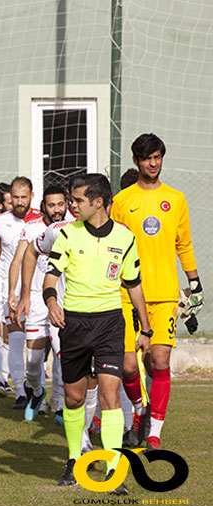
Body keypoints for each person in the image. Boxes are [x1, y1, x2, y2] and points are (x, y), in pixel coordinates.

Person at [44, 173, 150, 494]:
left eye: (77, 200)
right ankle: (75, 460)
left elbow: (133, 285)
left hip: (109, 324)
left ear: (98, 202)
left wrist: (146, 328)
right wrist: (51, 301)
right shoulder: (67, 235)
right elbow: (51, 277)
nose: (71, 206)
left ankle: (114, 469)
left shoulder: (125, 238)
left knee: (109, 396)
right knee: (75, 399)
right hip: (74, 325)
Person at [111, 133, 201, 451]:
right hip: (126, 295)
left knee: (159, 361)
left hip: (164, 293)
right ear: (136, 161)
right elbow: (113, 246)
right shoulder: (122, 201)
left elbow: (184, 244)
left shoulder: (175, 199)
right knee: (128, 366)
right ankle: (139, 409)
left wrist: (195, 281)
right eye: (147, 157)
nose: (153, 163)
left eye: (158, 156)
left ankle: (153, 433)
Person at [7, 186, 70, 420]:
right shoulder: (32, 228)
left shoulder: (72, 227)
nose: (56, 210)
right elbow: (18, 260)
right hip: (35, 300)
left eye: (60, 204)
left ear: (67, 205)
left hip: (60, 302)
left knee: (64, 358)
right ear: (44, 206)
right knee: (33, 362)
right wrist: (17, 294)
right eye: (51, 205)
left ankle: (61, 404)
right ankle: (37, 390)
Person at [0, 177, 41, 408]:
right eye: (15, 197)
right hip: (9, 290)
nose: (19, 201)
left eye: (24, 197)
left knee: (36, 347)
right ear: (9, 197)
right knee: (14, 339)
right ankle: (20, 394)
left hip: (37, 292)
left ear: (32, 196)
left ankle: (39, 392)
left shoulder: (41, 220)